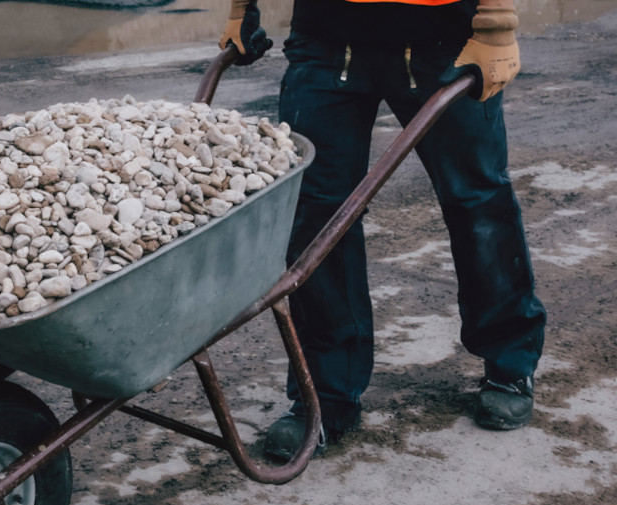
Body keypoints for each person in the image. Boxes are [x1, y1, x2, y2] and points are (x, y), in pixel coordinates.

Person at [218, 0, 547, 460]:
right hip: (326, 37)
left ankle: (510, 363)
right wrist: (241, 6)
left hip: (444, 39)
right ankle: (326, 397)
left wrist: (496, 24)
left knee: (477, 202)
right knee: (317, 215)